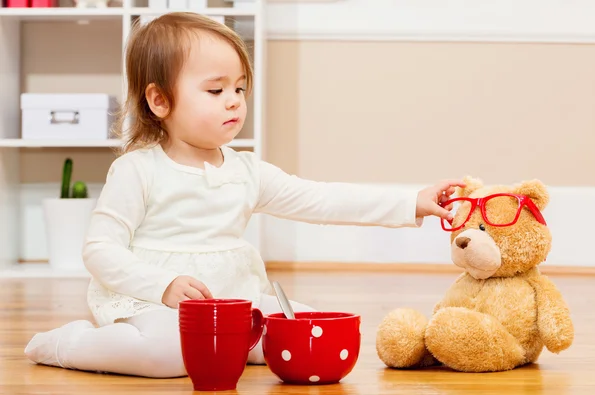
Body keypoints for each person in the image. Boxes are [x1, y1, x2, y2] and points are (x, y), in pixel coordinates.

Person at [23, 12, 465, 378]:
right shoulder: (137, 169)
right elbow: (100, 249)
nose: (234, 101)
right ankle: (69, 343)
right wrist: (163, 286)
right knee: (170, 355)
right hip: (152, 302)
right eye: (215, 91)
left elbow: (321, 199)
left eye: (239, 89)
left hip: (234, 298)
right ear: (159, 101)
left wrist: (410, 202)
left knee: (302, 326)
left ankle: (230, 344)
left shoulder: (246, 170)